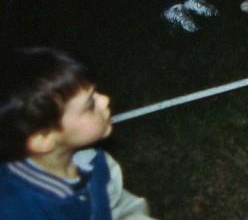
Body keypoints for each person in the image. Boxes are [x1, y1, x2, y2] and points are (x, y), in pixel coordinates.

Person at [0, 47, 153, 218]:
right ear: (42, 139)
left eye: (96, 93)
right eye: (90, 105)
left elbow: (121, 208)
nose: (105, 100)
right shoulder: (16, 209)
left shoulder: (93, 163)